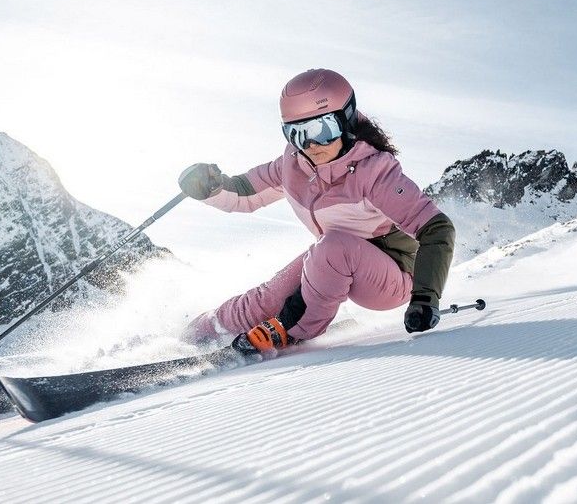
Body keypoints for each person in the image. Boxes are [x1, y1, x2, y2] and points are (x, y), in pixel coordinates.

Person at [177, 68, 456, 355]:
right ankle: (198, 332)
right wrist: (211, 187)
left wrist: (425, 298)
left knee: (332, 248)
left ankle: (292, 328)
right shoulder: (294, 164)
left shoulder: (375, 172)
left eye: (322, 130)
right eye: (297, 134)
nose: (311, 145)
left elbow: (437, 229)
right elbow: (246, 191)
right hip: (331, 259)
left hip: (394, 276)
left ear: (345, 120)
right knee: (269, 296)